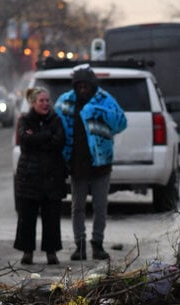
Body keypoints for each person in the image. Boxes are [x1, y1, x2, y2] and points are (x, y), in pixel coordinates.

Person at [54, 66, 127, 261]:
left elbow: (121, 122)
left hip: (101, 164)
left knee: (100, 206)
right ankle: (79, 246)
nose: (83, 89)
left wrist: (98, 112)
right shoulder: (65, 102)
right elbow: (54, 125)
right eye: (79, 85)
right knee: (77, 207)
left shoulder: (104, 100)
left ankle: (97, 245)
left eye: (86, 85)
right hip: (76, 164)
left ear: (93, 85)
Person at [13, 87, 67, 265]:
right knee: (27, 217)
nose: (45, 104)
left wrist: (38, 137)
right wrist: (46, 137)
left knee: (51, 217)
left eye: (47, 100)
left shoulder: (56, 119)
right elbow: (25, 141)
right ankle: (27, 251)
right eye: (41, 101)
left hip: (52, 176)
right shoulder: (25, 120)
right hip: (29, 176)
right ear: (33, 103)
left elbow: (59, 141)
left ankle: (51, 252)